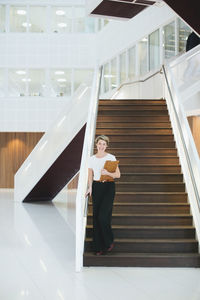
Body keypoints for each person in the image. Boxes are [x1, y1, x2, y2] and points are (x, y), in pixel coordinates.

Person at [86, 135, 120, 255]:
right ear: (96, 144)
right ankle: (98, 247)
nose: (101, 146)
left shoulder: (111, 157)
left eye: (104, 144)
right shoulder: (91, 159)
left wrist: (108, 173)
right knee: (96, 217)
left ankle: (108, 241)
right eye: (100, 143)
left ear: (107, 146)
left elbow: (118, 175)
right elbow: (90, 175)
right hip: (96, 187)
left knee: (103, 216)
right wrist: (90, 187)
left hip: (108, 187)